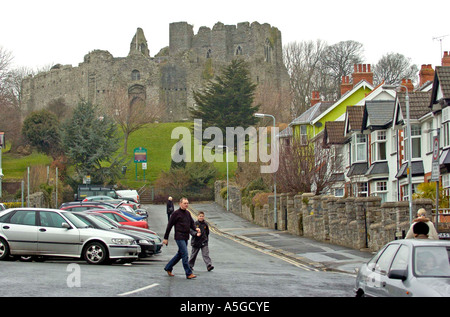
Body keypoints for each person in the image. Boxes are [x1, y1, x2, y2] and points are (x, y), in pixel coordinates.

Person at [163, 197, 200, 279]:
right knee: (185, 254)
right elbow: (169, 226)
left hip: (186, 236)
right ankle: (188, 273)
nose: (186, 204)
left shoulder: (187, 213)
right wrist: (166, 238)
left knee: (180, 254)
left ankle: (168, 267)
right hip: (179, 237)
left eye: (187, 203)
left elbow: (192, 223)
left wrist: (196, 228)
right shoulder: (175, 214)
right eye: (184, 203)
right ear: (180, 204)